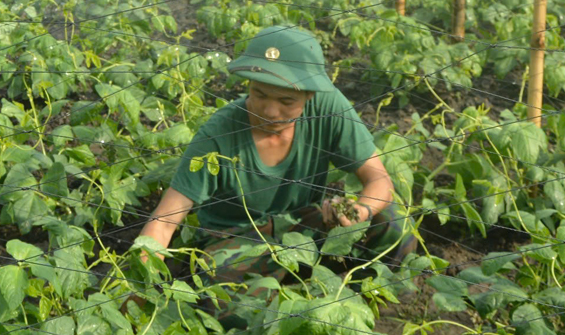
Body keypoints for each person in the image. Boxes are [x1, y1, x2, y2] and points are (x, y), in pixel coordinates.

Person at [134, 25, 415, 285]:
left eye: (286, 101)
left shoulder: (328, 108)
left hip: (304, 226)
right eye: (259, 94)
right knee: (228, 295)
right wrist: (137, 284)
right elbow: (164, 221)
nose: (270, 111)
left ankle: (363, 295)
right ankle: (278, 294)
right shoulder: (218, 135)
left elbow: (379, 179)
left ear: (310, 95)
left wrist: (358, 211)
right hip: (237, 240)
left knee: (394, 225)